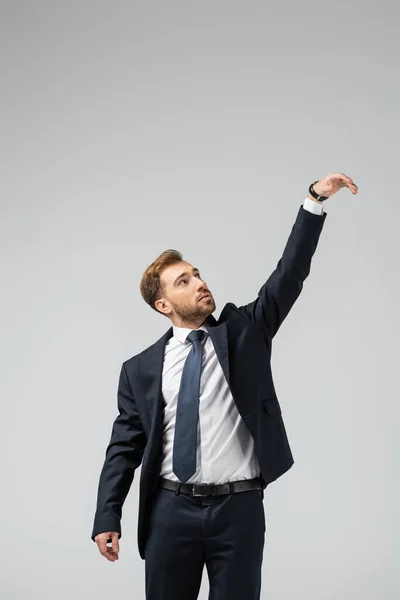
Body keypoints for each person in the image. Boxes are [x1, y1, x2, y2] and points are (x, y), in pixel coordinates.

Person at [91, 173, 358, 599]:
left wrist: (313, 201)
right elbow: (123, 447)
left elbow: (288, 276)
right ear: (163, 305)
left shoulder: (244, 331)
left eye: (197, 274)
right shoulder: (139, 369)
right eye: (184, 281)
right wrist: (107, 515)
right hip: (169, 510)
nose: (199, 282)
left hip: (239, 510)